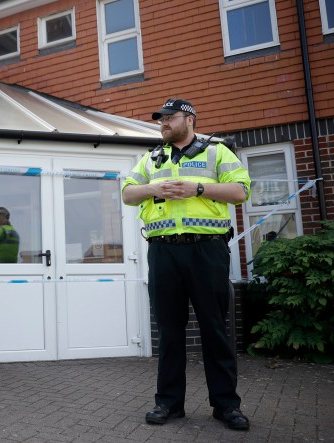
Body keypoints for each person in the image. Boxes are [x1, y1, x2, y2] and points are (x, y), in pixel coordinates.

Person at [121, 98, 252, 431]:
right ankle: (168, 403)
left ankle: (226, 406)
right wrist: (152, 187)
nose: (163, 123)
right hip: (163, 251)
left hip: (206, 250)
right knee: (168, 330)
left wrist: (198, 188)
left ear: (190, 120)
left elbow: (240, 191)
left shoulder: (218, 152)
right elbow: (127, 193)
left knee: (214, 328)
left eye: (169, 118)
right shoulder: (151, 157)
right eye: (160, 119)